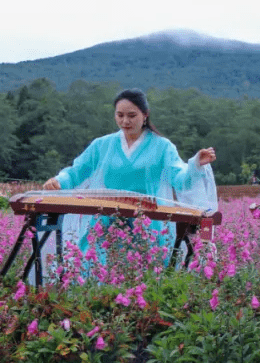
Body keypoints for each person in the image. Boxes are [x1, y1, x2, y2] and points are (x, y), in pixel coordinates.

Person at [42, 88, 217, 265]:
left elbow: (181, 179)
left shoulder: (163, 147)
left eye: (132, 115)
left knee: (145, 273)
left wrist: (195, 165)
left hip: (148, 223)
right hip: (105, 222)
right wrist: (59, 180)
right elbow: (77, 171)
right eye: (120, 115)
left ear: (145, 115)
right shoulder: (102, 145)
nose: (125, 121)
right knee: (97, 268)